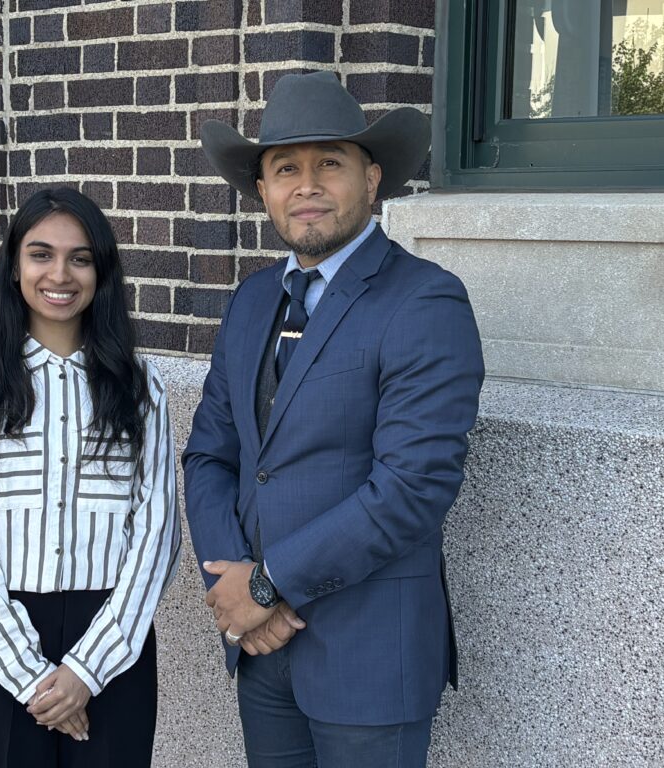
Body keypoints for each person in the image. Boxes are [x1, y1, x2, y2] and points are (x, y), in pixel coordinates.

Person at [182, 71, 485, 767]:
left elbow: (412, 488)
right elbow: (210, 456)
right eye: (286, 168)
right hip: (262, 656)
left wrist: (264, 586)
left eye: (331, 164)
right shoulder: (253, 300)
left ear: (371, 179)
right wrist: (229, 588)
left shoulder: (425, 302)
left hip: (368, 660)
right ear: (263, 191)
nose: (307, 185)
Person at [0, 187, 181, 768]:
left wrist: (86, 671)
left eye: (80, 257)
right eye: (40, 254)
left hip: (114, 641)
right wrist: (32, 677)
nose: (59, 274)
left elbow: (157, 534)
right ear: (15, 266)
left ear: (102, 270)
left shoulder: (140, 387)